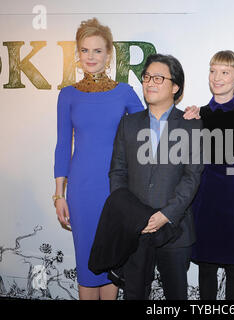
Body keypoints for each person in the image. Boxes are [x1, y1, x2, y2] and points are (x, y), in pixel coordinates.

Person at [53, 18, 144, 300]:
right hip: (82, 190)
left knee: (112, 260)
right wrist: (59, 195)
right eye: (85, 50)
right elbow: (61, 146)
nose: (91, 57)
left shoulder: (124, 92)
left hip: (116, 190)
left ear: (108, 55)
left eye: (97, 51)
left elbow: (149, 129)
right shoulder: (67, 95)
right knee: (87, 263)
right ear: (78, 55)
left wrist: (188, 114)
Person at [108, 53, 204, 300]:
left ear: (175, 87)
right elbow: (118, 171)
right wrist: (131, 214)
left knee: (175, 297)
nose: (150, 82)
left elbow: (192, 177)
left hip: (175, 229)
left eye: (158, 78)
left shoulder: (191, 125)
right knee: (134, 293)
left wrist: (166, 215)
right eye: (147, 77)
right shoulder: (128, 124)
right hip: (135, 229)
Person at [183, 50, 234, 300]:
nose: (217, 77)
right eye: (212, 71)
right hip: (204, 196)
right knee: (206, 266)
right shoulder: (197, 115)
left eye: (225, 72)